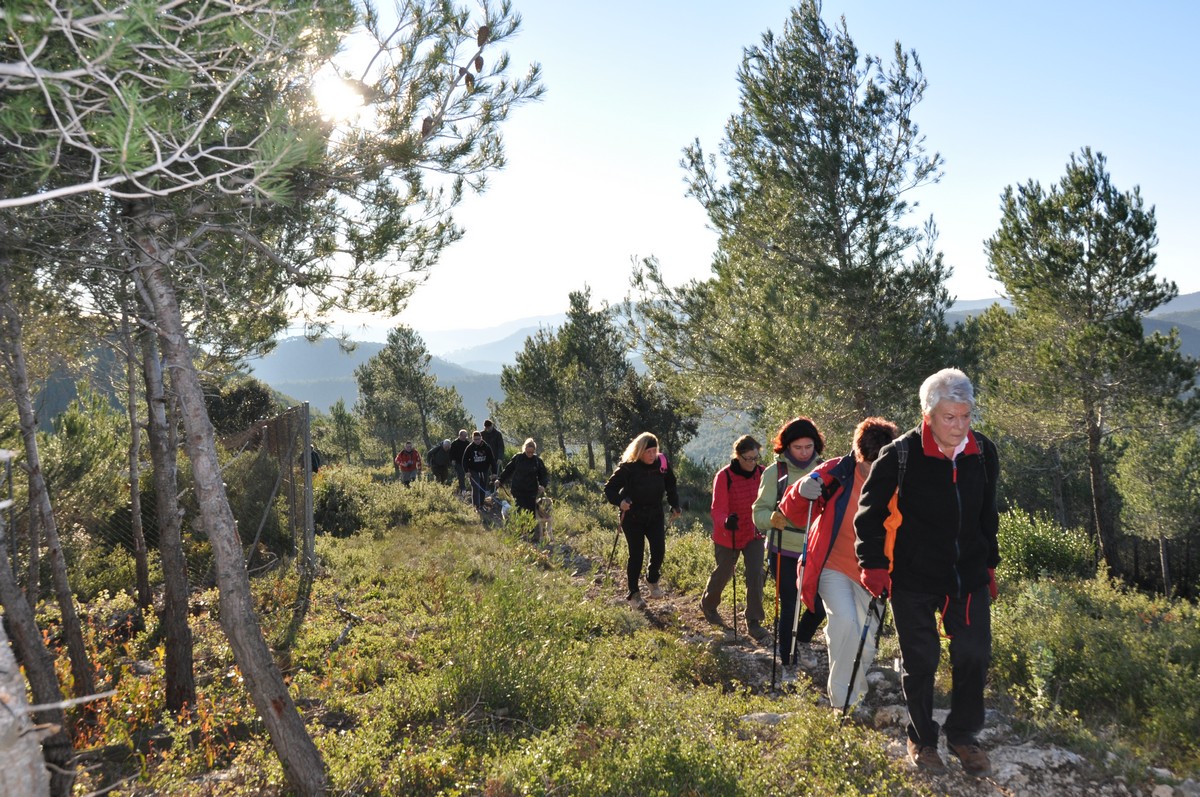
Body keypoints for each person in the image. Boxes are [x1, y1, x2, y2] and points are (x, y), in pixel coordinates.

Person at [855, 368, 1000, 777]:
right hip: (913, 577)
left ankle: (963, 735)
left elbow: (987, 513)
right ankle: (921, 737)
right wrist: (872, 564)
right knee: (921, 660)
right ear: (928, 415)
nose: (959, 426)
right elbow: (869, 515)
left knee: (974, 655)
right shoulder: (899, 455)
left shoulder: (983, 452)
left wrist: (990, 563)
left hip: (967, 575)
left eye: (966, 416)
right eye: (949, 417)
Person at [778, 417, 899, 713]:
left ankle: (853, 696)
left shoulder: (899, 478)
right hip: (831, 565)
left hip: (874, 573)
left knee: (866, 644)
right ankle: (843, 704)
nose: (873, 471)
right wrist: (802, 489)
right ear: (858, 454)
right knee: (844, 623)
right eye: (868, 464)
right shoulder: (838, 471)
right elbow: (790, 509)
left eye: (879, 464)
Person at [751, 416, 828, 679]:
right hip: (783, 549)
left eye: (809, 447)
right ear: (786, 446)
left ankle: (802, 640)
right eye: (798, 447)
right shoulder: (775, 473)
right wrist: (771, 518)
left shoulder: (825, 470)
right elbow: (758, 513)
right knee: (790, 606)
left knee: (819, 605)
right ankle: (788, 662)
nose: (804, 453)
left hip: (817, 549)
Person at [700, 435, 768, 641]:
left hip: (753, 532)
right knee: (724, 571)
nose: (753, 462)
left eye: (756, 457)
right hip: (728, 534)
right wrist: (726, 520)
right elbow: (717, 509)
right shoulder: (724, 476)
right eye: (749, 458)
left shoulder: (763, 473)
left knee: (755, 573)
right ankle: (709, 605)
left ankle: (753, 621)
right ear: (738, 456)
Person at [603, 432, 681, 609]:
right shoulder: (628, 468)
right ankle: (634, 594)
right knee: (636, 554)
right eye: (648, 452)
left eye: (654, 451)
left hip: (655, 515)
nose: (652, 455)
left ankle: (652, 579)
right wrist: (620, 502)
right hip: (633, 517)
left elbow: (671, 485)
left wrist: (674, 505)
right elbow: (609, 489)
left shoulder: (662, 463)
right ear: (640, 451)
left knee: (659, 550)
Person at [495, 437, 550, 523]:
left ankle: (530, 530)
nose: (530, 454)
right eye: (528, 452)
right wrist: (500, 480)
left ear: (534, 451)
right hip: (518, 490)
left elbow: (543, 475)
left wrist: (543, 485)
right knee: (519, 511)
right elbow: (508, 470)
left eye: (532, 452)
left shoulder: (537, 461)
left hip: (531, 491)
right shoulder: (518, 458)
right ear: (524, 449)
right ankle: (520, 529)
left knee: (531, 513)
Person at [462, 430, 497, 509]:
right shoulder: (470, 448)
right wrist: (466, 471)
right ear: (472, 439)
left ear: (481, 438)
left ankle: (481, 504)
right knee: (476, 487)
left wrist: (494, 472)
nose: (477, 441)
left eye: (478, 439)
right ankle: (476, 506)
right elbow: (464, 460)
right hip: (473, 470)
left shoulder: (486, 447)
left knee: (483, 487)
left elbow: (492, 460)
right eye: (475, 439)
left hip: (484, 470)